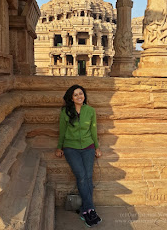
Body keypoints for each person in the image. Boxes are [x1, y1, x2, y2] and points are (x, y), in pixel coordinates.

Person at [55, 84, 102, 227]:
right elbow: (62, 131)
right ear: (71, 98)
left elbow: (93, 130)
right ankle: (90, 209)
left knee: (88, 177)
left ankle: (86, 210)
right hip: (71, 148)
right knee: (81, 176)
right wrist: (59, 147)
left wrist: (97, 147)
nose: (79, 96)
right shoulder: (65, 111)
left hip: (88, 147)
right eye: (75, 95)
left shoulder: (91, 111)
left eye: (81, 93)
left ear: (84, 95)